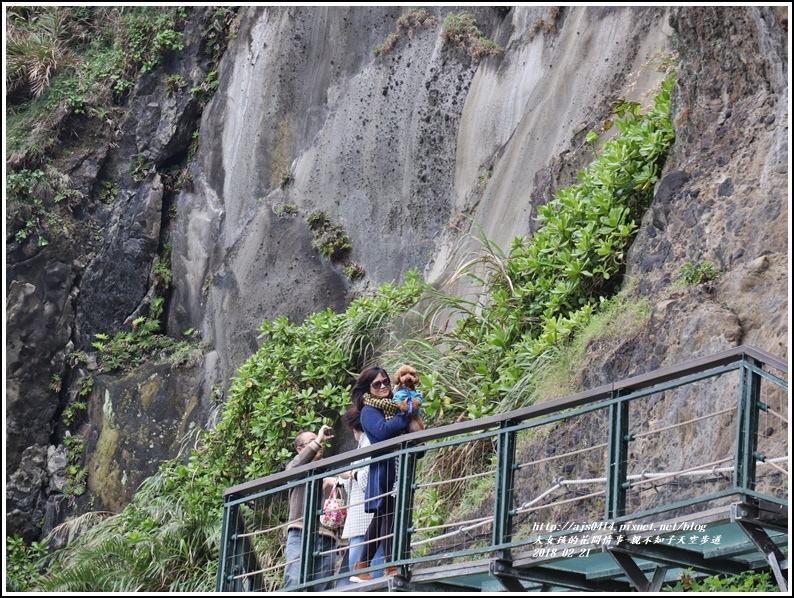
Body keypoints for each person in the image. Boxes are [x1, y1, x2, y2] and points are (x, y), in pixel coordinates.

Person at [348, 366, 411, 581]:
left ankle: (363, 565)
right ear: (368, 388)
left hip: (393, 465)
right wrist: (405, 415)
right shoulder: (369, 410)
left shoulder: (391, 407)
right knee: (388, 513)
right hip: (384, 469)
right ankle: (391, 566)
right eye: (377, 384)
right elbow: (384, 433)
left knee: (383, 515)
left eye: (385, 382)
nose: (383, 386)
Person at [283, 424, 341, 591]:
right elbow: (292, 469)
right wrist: (317, 440)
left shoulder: (331, 469)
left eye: (320, 441)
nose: (319, 444)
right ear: (300, 449)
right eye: (313, 441)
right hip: (300, 531)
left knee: (323, 587)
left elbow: (342, 504)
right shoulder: (295, 469)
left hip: (328, 536)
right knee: (294, 580)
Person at [334, 407, 373, 587]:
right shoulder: (366, 441)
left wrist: (349, 474)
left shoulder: (367, 442)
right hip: (366, 515)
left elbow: (364, 478)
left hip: (362, 515)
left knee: (359, 567)